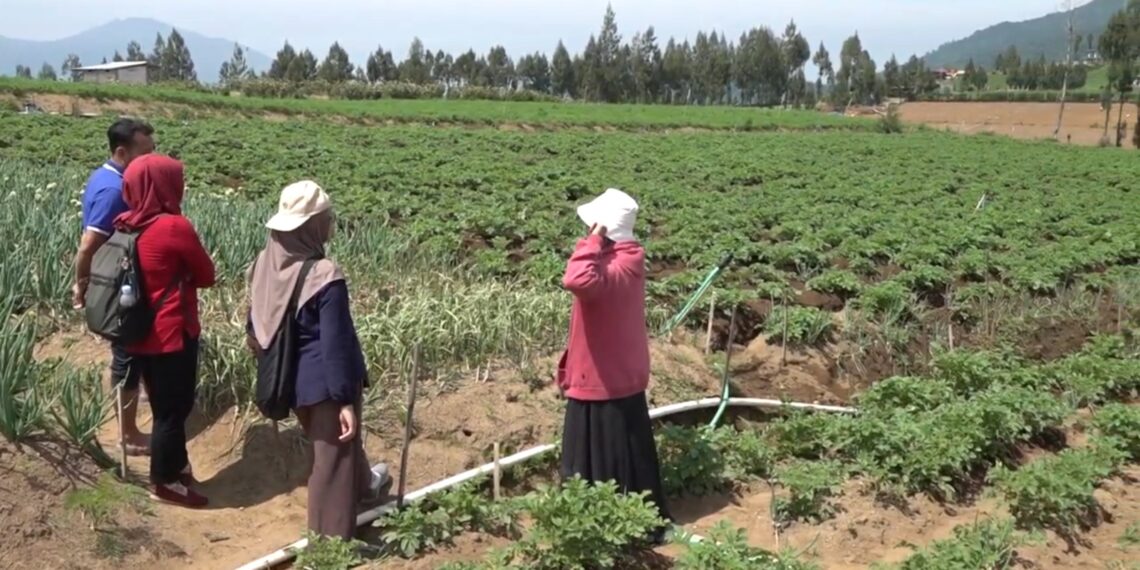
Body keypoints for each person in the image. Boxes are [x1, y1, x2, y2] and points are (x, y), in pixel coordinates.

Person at [246, 181, 391, 539]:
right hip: (324, 384)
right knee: (331, 464)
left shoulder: (265, 262)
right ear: (310, 226)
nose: (330, 225)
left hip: (289, 380)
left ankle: (366, 487)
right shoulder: (324, 274)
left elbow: (255, 324)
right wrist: (343, 399)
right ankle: (328, 543)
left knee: (337, 449)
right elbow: (336, 344)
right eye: (327, 218)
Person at [557, 188, 672, 542]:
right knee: (631, 453)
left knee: (594, 459)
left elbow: (575, 280)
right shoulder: (630, 257)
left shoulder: (611, 267)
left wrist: (592, 241)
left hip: (600, 377)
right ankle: (638, 521)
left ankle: (600, 528)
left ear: (604, 228)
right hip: (619, 374)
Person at [116, 155, 216, 508]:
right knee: (173, 410)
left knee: (162, 404)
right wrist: (184, 277)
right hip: (171, 332)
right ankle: (167, 481)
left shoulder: (126, 223)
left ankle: (178, 464)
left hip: (137, 331)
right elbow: (207, 274)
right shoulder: (174, 226)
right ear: (166, 184)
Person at [72, 117, 156, 456]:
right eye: (145, 152)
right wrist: (81, 285)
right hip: (115, 287)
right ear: (122, 151)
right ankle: (129, 435)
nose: (151, 158)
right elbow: (88, 244)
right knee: (127, 357)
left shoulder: (108, 176)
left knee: (130, 356)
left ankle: (137, 418)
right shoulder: (112, 189)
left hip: (114, 281)